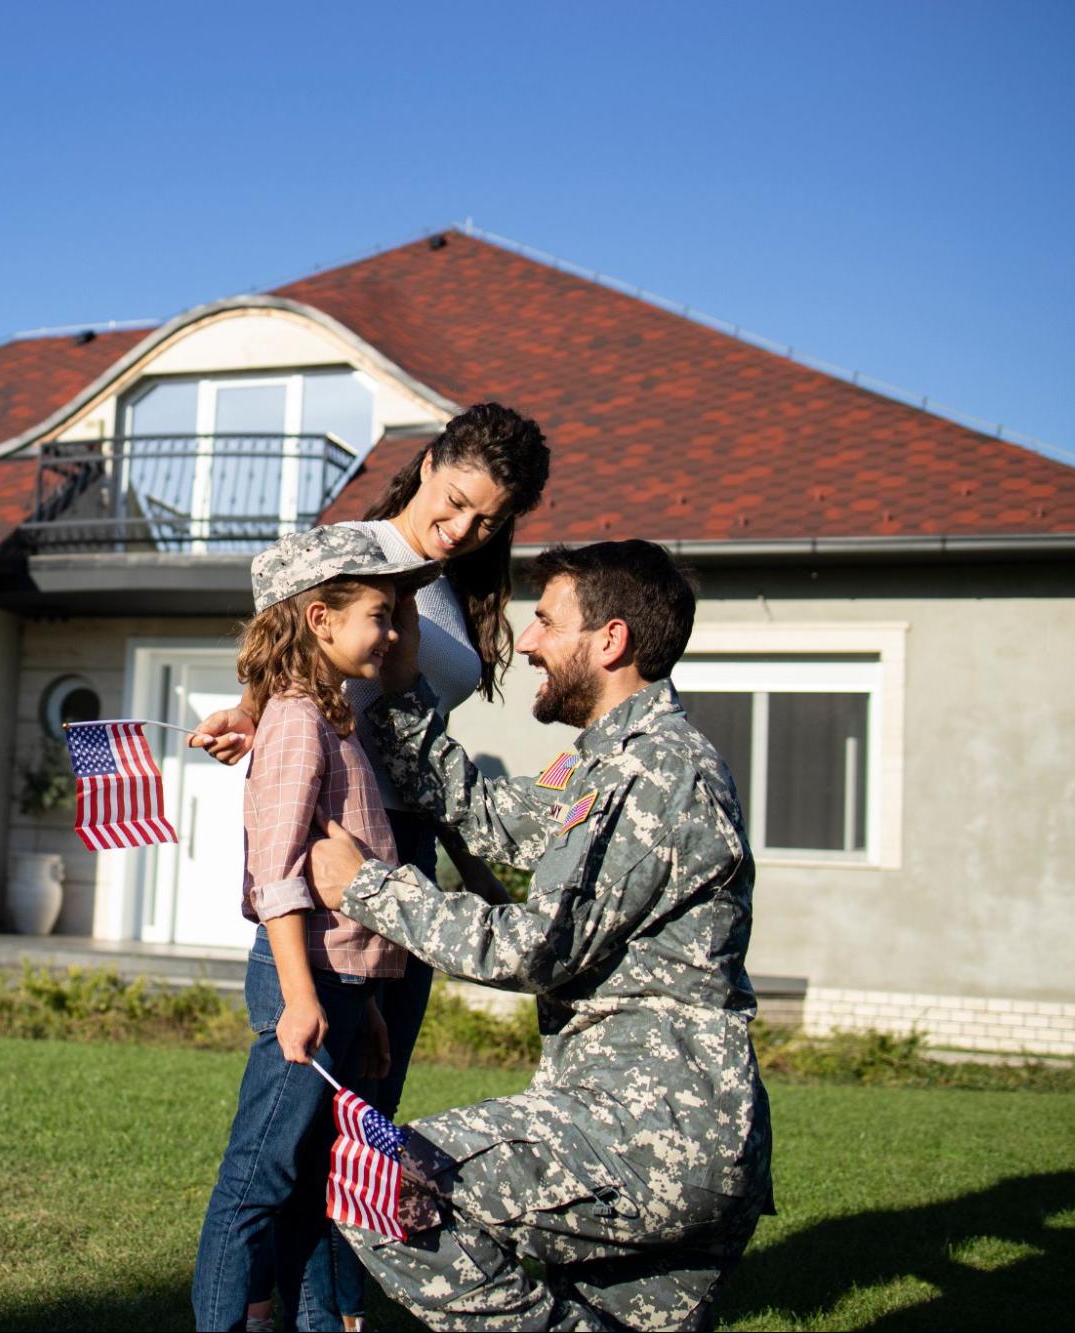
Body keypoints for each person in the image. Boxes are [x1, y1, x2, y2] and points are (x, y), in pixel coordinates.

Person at [304, 539, 774, 1331]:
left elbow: (529, 946)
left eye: (547, 622)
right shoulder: (607, 765)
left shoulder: (654, 774)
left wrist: (365, 888)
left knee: (379, 1178)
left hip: (649, 1134)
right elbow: (487, 816)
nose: (525, 642)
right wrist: (401, 682)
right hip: (650, 1130)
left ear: (610, 641)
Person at [195, 402, 552, 1330]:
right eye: (459, 500)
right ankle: (269, 1298)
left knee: (366, 1114)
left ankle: (333, 1311)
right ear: (428, 462)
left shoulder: (452, 593)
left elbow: (425, 746)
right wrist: (248, 716)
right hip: (324, 851)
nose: (467, 527)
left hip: (404, 856)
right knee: (293, 1120)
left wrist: (476, 866)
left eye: (490, 520)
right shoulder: (343, 557)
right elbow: (277, 675)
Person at [191, 525, 435, 1333]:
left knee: (308, 1176)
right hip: (306, 981)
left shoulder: (330, 719)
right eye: (380, 614)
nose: (393, 633)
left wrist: (362, 999)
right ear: (321, 618)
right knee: (257, 1175)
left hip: (338, 983)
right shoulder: (295, 721)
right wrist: (303, 997)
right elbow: (279, 871)